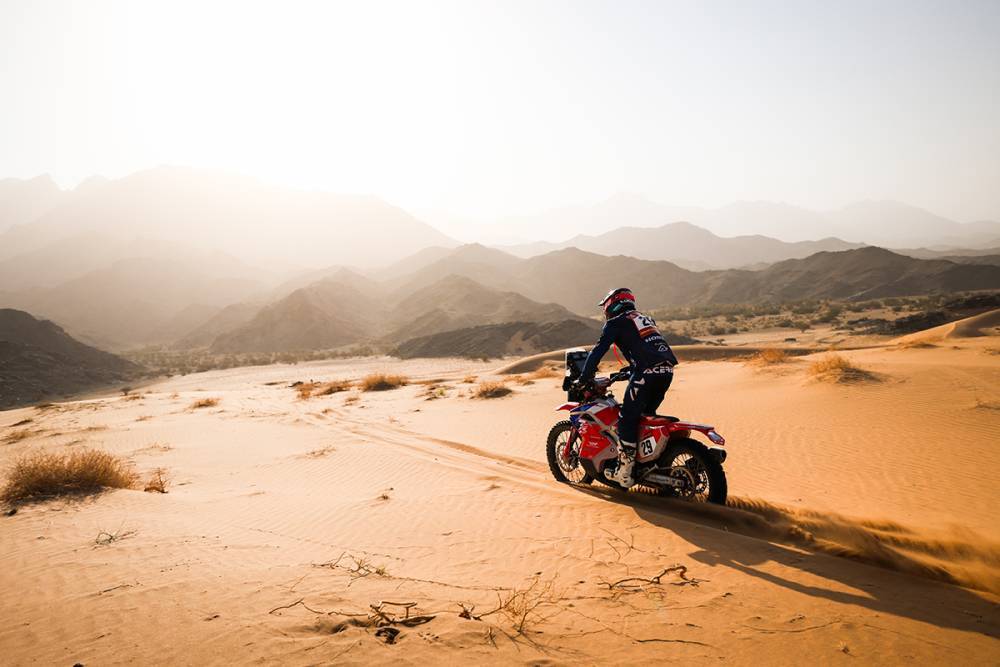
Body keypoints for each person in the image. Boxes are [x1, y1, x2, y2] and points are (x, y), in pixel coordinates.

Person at [576, 288, 678, 488]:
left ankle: (626, 470)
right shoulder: (644, 319)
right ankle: (649, 464)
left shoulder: (615, 323)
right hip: (666, 372)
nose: (605, 312)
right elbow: (646, 349)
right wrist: (626, 372)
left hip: (646, 374)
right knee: (644, 417)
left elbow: (598, 351)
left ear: (612, 305)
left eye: (605, 308)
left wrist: (584, 377)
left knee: (626, 419)